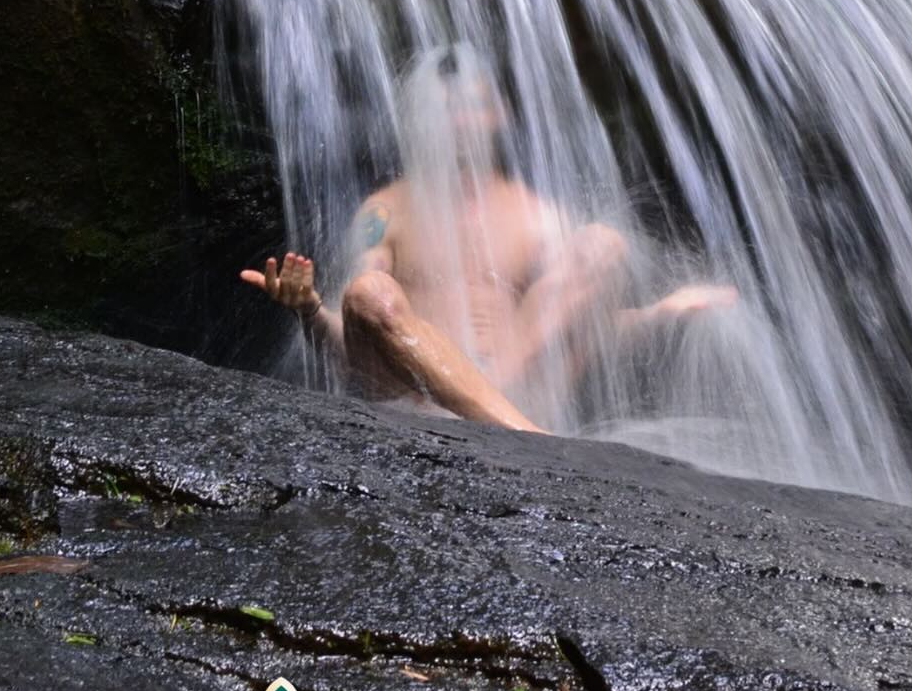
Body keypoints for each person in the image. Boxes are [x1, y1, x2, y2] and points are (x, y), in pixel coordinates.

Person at [240, 47, 736, 434]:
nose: (460, 121)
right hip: (414, 399)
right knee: (367, 292)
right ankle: (518, 433)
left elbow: (578, 330)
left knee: (602, 243)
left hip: (523, 392)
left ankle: (496, 414)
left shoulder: (539, 214)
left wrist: (662, 314)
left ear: (501, 113)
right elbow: (357, 340)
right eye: (447, 107)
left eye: (474, 105)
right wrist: (306, 310)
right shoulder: (385, 211)